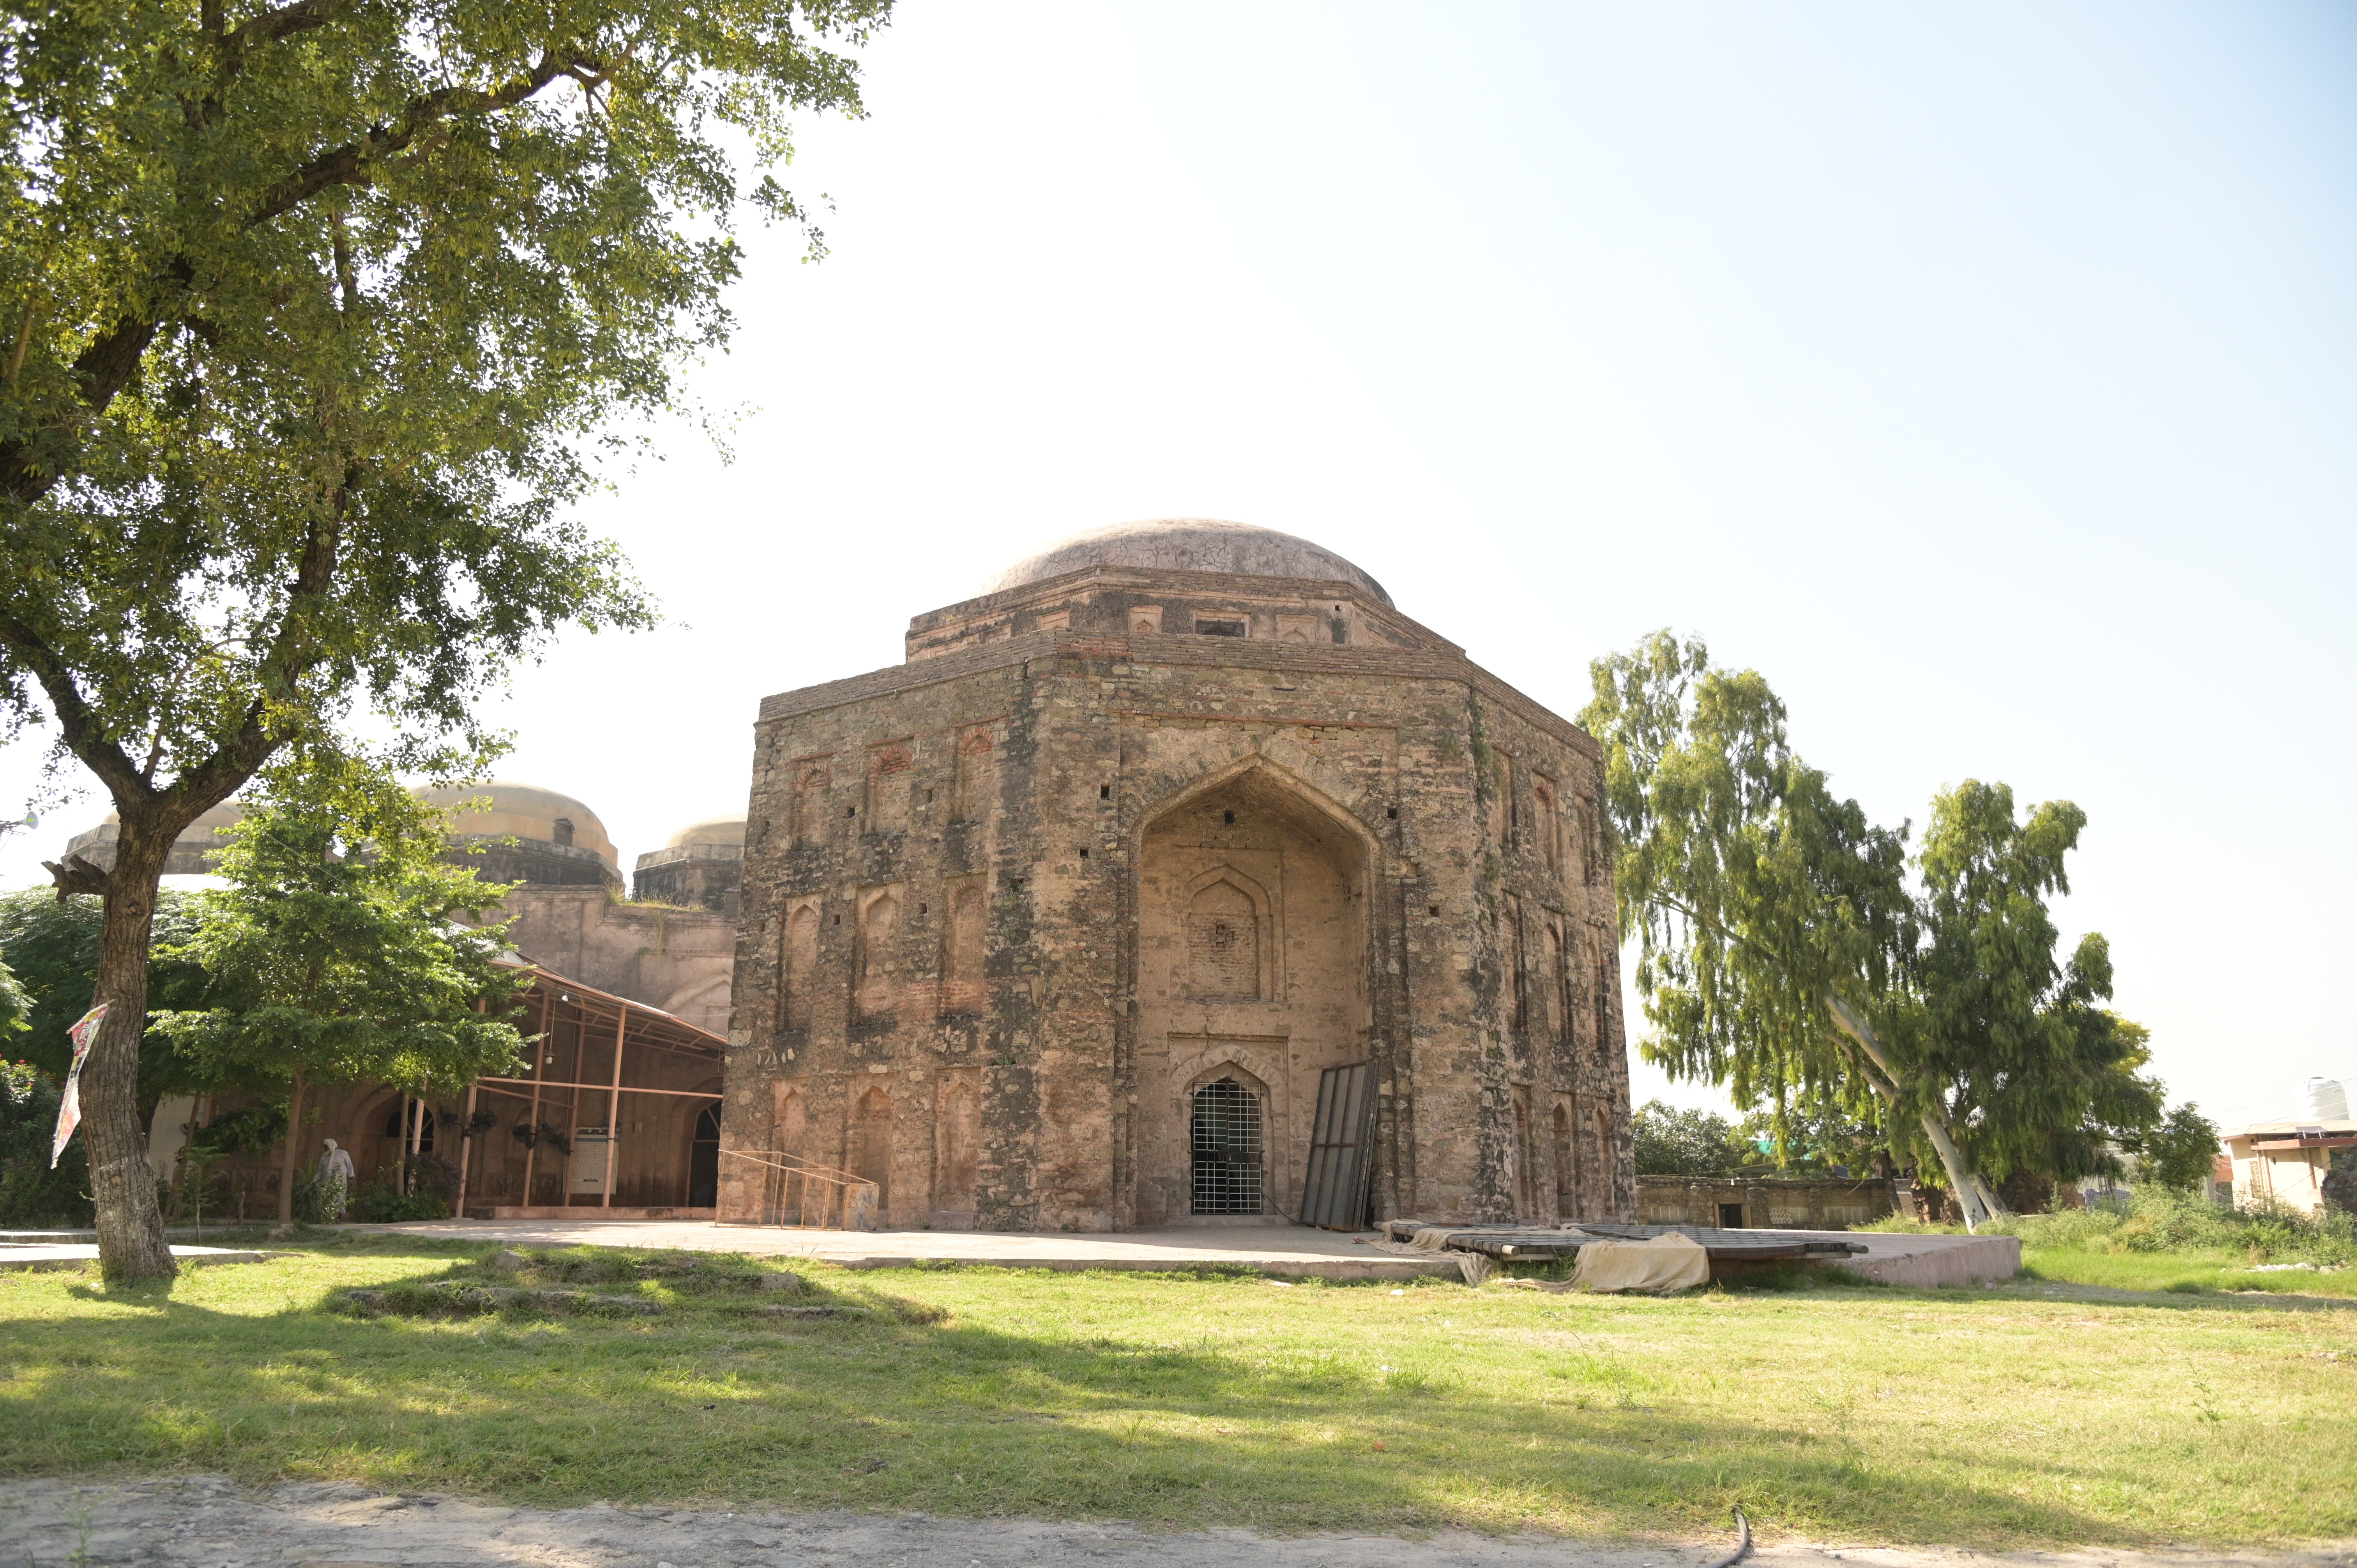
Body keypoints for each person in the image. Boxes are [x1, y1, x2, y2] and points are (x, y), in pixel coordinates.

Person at [315, 1138, 356, 1221]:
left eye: (325, 1147)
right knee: (327, 1200)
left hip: (340, 1183)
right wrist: (315, 1180)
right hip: (327, 1183)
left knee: (340, 1200)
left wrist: (351, 1176)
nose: (324, 1149)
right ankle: (327, 1219)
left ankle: (339, 1219)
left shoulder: (343, 1154)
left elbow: (350, 1166)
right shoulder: (324, 1158)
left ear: (330, 1146)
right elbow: (320, 1171)